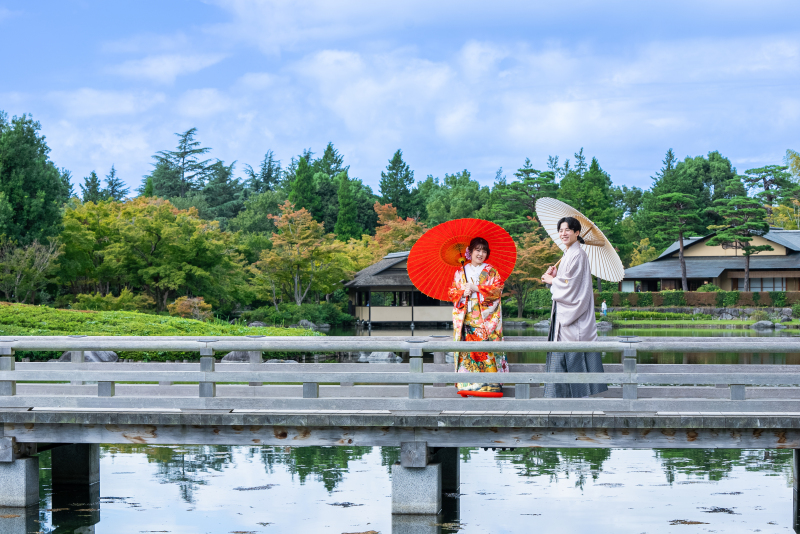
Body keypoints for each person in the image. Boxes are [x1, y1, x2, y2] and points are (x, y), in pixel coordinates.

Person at [541, 217, 607, 398]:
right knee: (564, 360)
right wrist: (554, 277)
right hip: (565, 318)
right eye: (561, 230)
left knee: (572, 360)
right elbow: (566, 284)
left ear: (577, 233)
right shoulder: (569, 254)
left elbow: (570, 287)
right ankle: (562, 401)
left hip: (573, 319)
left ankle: (573, 403)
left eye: (568, 230)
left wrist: (553, 280)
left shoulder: (577, 255)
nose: (563, 233)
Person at [448, 237, 508, 397]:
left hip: (484, 320)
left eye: (484, 250)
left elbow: (498, 291)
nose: (481, 254)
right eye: (477, 250)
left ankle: (490, 386)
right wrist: (462, 293)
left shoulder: (490, 271)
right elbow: (452, 293)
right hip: (466, 318)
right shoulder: (460, 272)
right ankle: (467, 384)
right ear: (470, 252)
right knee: (467, 352)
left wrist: (477, 288)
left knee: (485, 350)